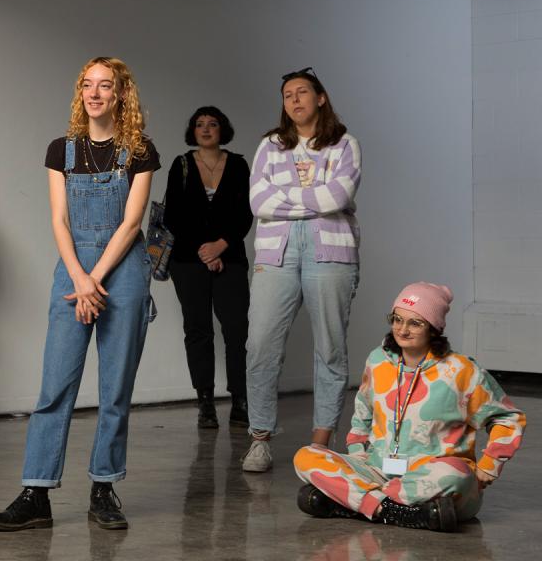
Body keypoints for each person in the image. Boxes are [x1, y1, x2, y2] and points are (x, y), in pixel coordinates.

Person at [0, 56, 159, 532]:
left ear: (122, 94)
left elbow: (132, 224)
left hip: (121, 270)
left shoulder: (140, 152)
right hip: (74, 268)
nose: (95, 93)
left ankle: (104, 487)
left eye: (106, 86)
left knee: (115, 388)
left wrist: (95, 278)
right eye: (88, 85)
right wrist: (80, 279)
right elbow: (59, 221)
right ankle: (35, 492)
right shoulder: (60, 151)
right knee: (55, 385)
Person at [293, 283, 526, 532]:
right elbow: (363, 409)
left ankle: (353, 502)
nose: (402, 329)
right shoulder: (377, 360)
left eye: (415, 323)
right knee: (306, 456)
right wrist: (358, 451)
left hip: (432, 477)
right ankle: (401, 512)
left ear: (434, 328)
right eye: (397, 319)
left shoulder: (461, 371)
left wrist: (490, 464)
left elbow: (508, 417)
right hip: (378, 470)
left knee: (456, 475)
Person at [242, 67, 360, 474]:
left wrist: (288, 198)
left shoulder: (344, 144)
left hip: (331, 252)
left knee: (330, 347)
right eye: (287, 94)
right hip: (276, 254)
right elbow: (258, 202)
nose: (294, 100)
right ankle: (259, 439)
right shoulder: (269, 146)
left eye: (302, 92)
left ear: (320, 98)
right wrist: (315, 198)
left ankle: (320, 443)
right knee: (259, 345)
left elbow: (341, 194)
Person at [163, 107, 253, 429]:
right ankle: (205, 402)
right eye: (199, 124)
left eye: (212, 124)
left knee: (237, 330)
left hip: (230, 258)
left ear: (222, 129)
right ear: (193, 130)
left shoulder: (239, 164)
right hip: (188, 261)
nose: (205, 129)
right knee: (198, 330)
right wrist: (206, 252)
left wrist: (221, 246)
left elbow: (246, 212)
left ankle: (240, 399)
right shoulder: (182, 164)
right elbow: (173, 215)